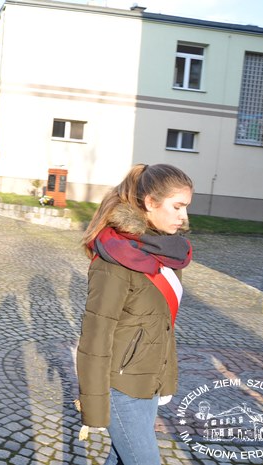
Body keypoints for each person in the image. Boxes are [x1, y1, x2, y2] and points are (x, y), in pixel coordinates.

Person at [75, 163, 193, 465]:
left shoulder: (164, 253)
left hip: (148, 382)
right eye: (177, 206)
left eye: (186, 207)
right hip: (120, 388)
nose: (184, 217)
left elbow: (162, 327)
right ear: (150, 202)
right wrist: (94, 405)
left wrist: (165, 379)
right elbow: (96, 336)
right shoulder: (115, 259)